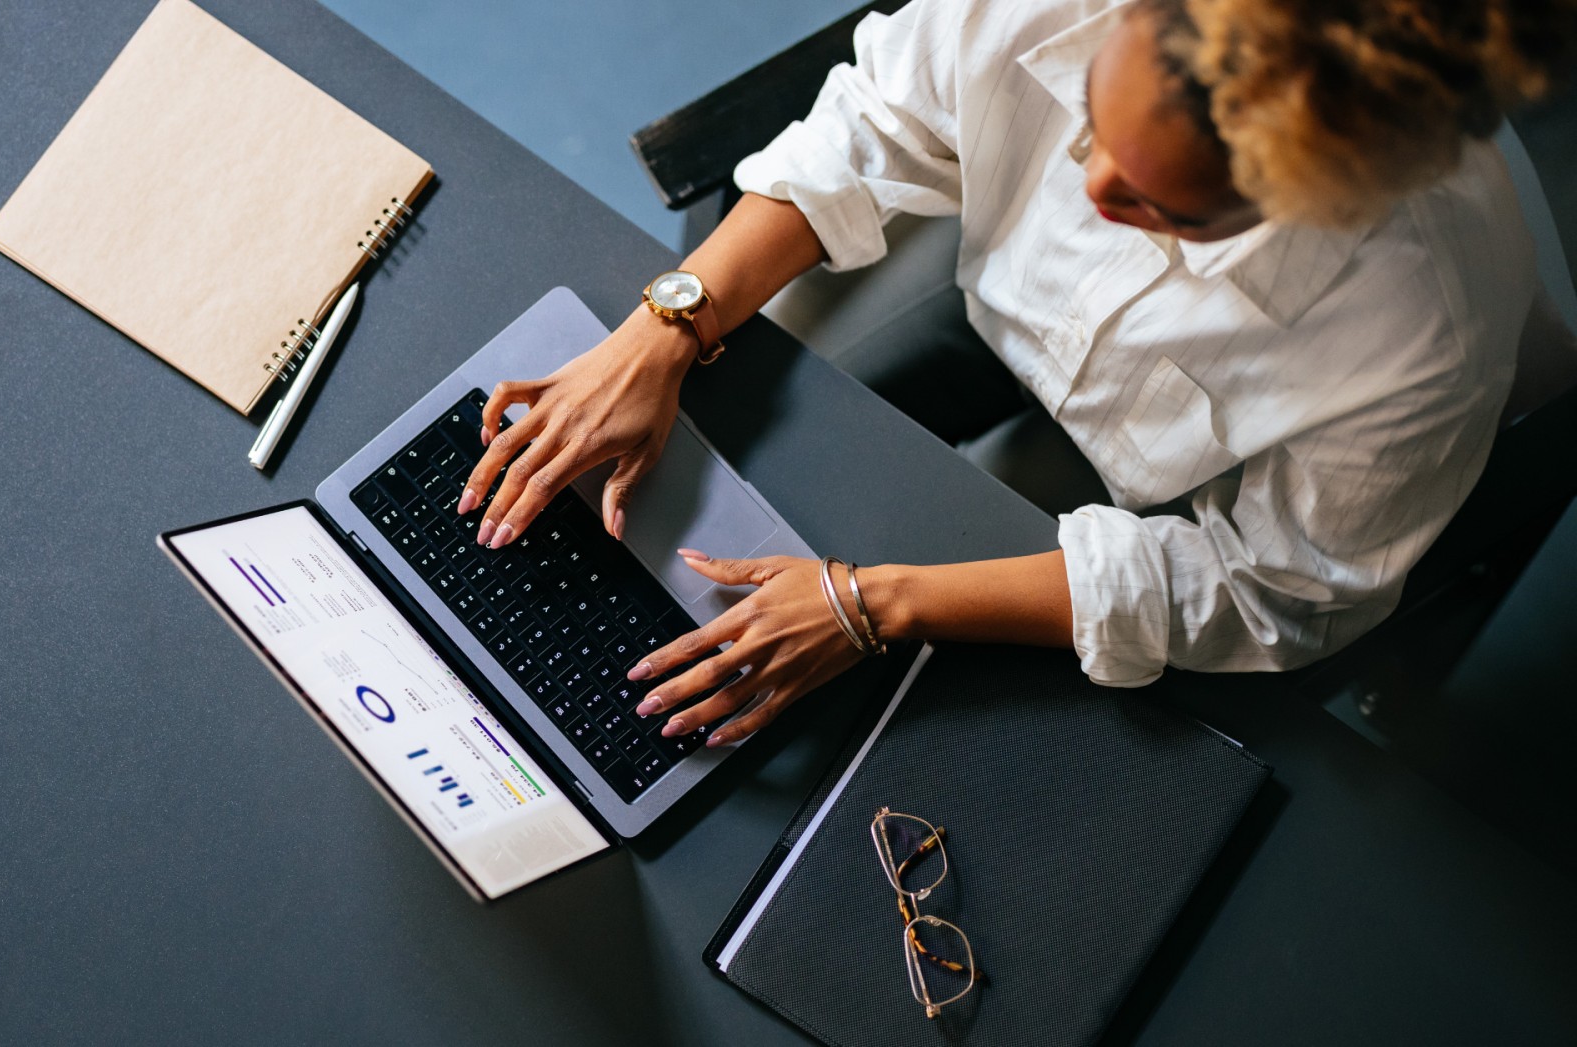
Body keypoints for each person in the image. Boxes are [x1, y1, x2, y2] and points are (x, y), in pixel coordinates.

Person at [454, 0, 1577, 746]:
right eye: (1088, 121)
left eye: (1160, 209)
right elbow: (881, 120)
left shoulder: (1419, 334)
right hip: (990, 299)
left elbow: (1268, 587)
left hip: (1197, 478)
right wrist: (668, 325)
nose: (1089, 200)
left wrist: (877, 603)